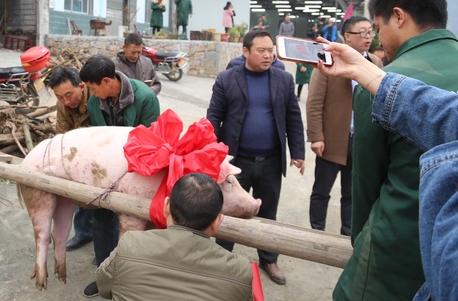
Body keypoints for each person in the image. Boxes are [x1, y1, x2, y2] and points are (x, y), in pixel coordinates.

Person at [331, 0, 458, 301]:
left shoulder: (384, 82)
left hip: (396, 248)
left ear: (399, 16)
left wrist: (362, 242)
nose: (376, 39)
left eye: (378, 26)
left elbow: (366, 183)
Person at [207, 30, 305, 286]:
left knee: (268, 212)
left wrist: (298, 152)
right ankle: (221, 257)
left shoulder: (283, 79)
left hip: (271, 161)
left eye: (270, 50)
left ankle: (268, 258)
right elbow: (213, 119)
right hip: (235, 162)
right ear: (246, 51)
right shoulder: (227, 79)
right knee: (228, 211)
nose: (268, 55)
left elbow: (293, 117)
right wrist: (212, 155)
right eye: (261, 50)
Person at [95, 173, 253, 300]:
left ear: (166, 207)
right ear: (217, 222)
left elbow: (103, 287)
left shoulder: (129, 244)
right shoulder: (239, 270)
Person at [79, 54, 160, 297]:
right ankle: (105, 274)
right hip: (109, 174)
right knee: (102, 221)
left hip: (141, 173)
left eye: (93, 88)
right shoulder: (95, 103)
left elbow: (152, 143)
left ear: (106, 81)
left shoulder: (145, 98)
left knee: (140, 227)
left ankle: (137, 278)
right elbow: (99, 140)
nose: (91, 94)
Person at [306, 16, 382, 236]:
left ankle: (348, 233)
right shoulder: (328, 60)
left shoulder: (375, 63)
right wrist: (316, 136)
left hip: (361, 141)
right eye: (363, 32)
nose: (368, 37)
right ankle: (316, 232)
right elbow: (314, 102)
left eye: (371, 32)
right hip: (332, 139)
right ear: (347, 37)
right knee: (322, 190)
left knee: (352, 192)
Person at [47, 66, 93, 251]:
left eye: (69, 94)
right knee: (78, 195)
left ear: (81, 86)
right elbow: (62, 135)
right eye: (59, 96)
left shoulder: (96, 97)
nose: (66, 101)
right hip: (79, 154)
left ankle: (106, 243)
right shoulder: (62, 106)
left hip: (100, 153)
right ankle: (83, 234)